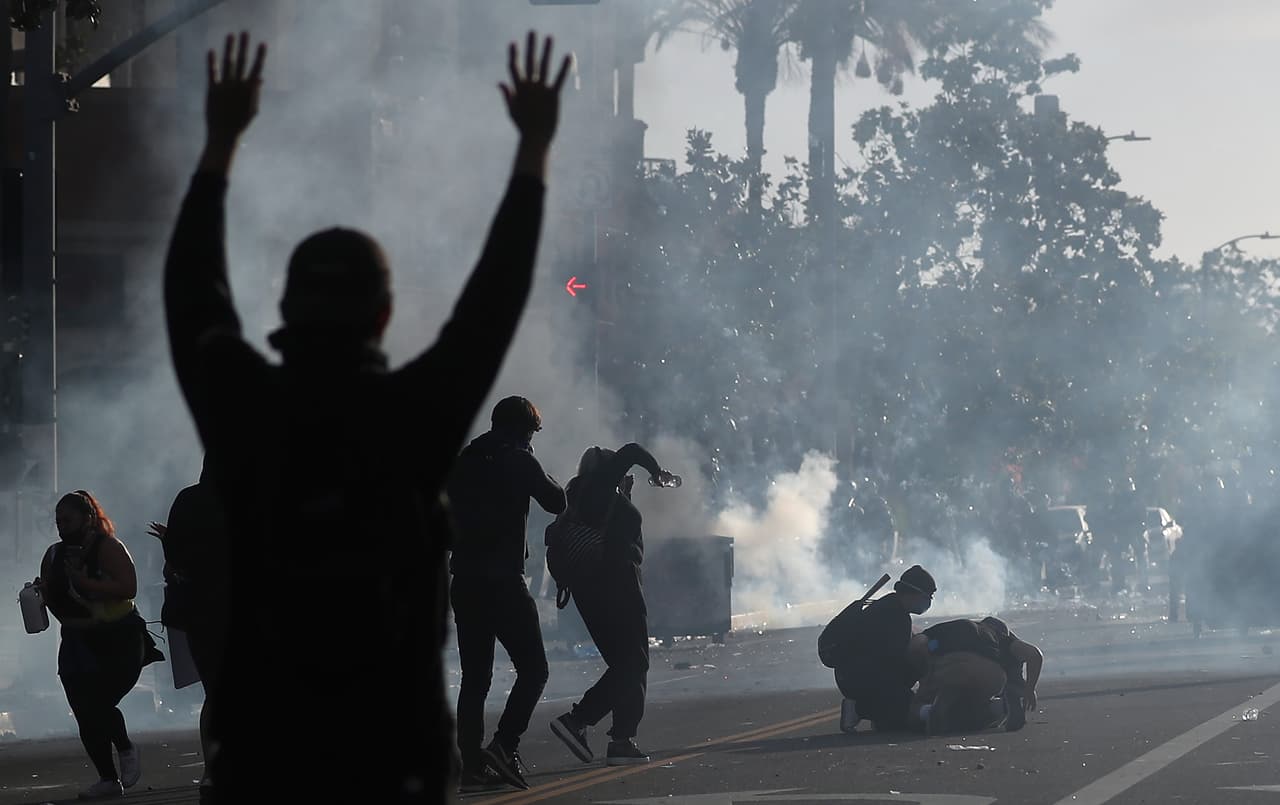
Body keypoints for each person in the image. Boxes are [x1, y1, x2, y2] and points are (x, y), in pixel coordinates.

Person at [162, 31, 570, 801]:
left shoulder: (242, 412)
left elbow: (191, 291)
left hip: (262, 761)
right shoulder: (413, 419)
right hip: (391, 766)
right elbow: (492, 302)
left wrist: (219, 143)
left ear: (283, 308)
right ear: (384, 314)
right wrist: (533, 153)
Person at [446, 396, 566, 792]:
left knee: (475, 678)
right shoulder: (518, 458)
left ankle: (471, 770)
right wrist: (531, 460)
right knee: (534, 669)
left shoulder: (466, 457)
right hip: (502, 581)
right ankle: (504, 745)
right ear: (523, 430)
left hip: (464, 580)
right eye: (532, 433)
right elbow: (557, 501)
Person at [550, 444, 679, 766]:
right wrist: (657, 472)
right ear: (607, 470)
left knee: (626, 664)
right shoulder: (598, 486)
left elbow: (613, 531)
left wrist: (624, 496)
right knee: (634, 663)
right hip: (616, 587)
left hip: (589, 592)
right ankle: (579, 720)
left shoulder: (581, 497)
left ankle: (622, 740)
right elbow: (633, 450)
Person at [32, 491, 162, 799]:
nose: (62, 527)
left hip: (119, 639)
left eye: (68, 520)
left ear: (88, 519)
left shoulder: (109, 548)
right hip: (77, 641)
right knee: (83, 710)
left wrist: (85, 582)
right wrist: (41, 595)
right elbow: (52, 597)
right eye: (58, 521)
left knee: (99, 702)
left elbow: (128, 587)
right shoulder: (54, 555)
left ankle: (126, 747)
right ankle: (107, 778)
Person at [148, 457, 230, 798]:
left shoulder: (187, 500)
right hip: (224, 607)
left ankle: (212, 771)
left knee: (214, 692)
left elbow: (174, 564)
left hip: (200, 612)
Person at [821, 564, 936, 733]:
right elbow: (895, 661)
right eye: (926, 596)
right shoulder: (894, 616)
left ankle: (878, 712)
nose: (928, 601)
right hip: (856, 678)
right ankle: (858, 709)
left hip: (853, 674)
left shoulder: (890, 606)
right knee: (909, 713)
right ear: (912, 594)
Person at [908, 616, 1043, 734]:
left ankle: (929, 711)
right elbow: (1034, 655)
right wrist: (1029, 689)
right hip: (991, 674)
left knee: (916, 705)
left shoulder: (951, 627)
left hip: (948, 665)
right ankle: (1002, 707)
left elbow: (917, 644)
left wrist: (926, 674)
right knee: (976, 706)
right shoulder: (1000, 638)